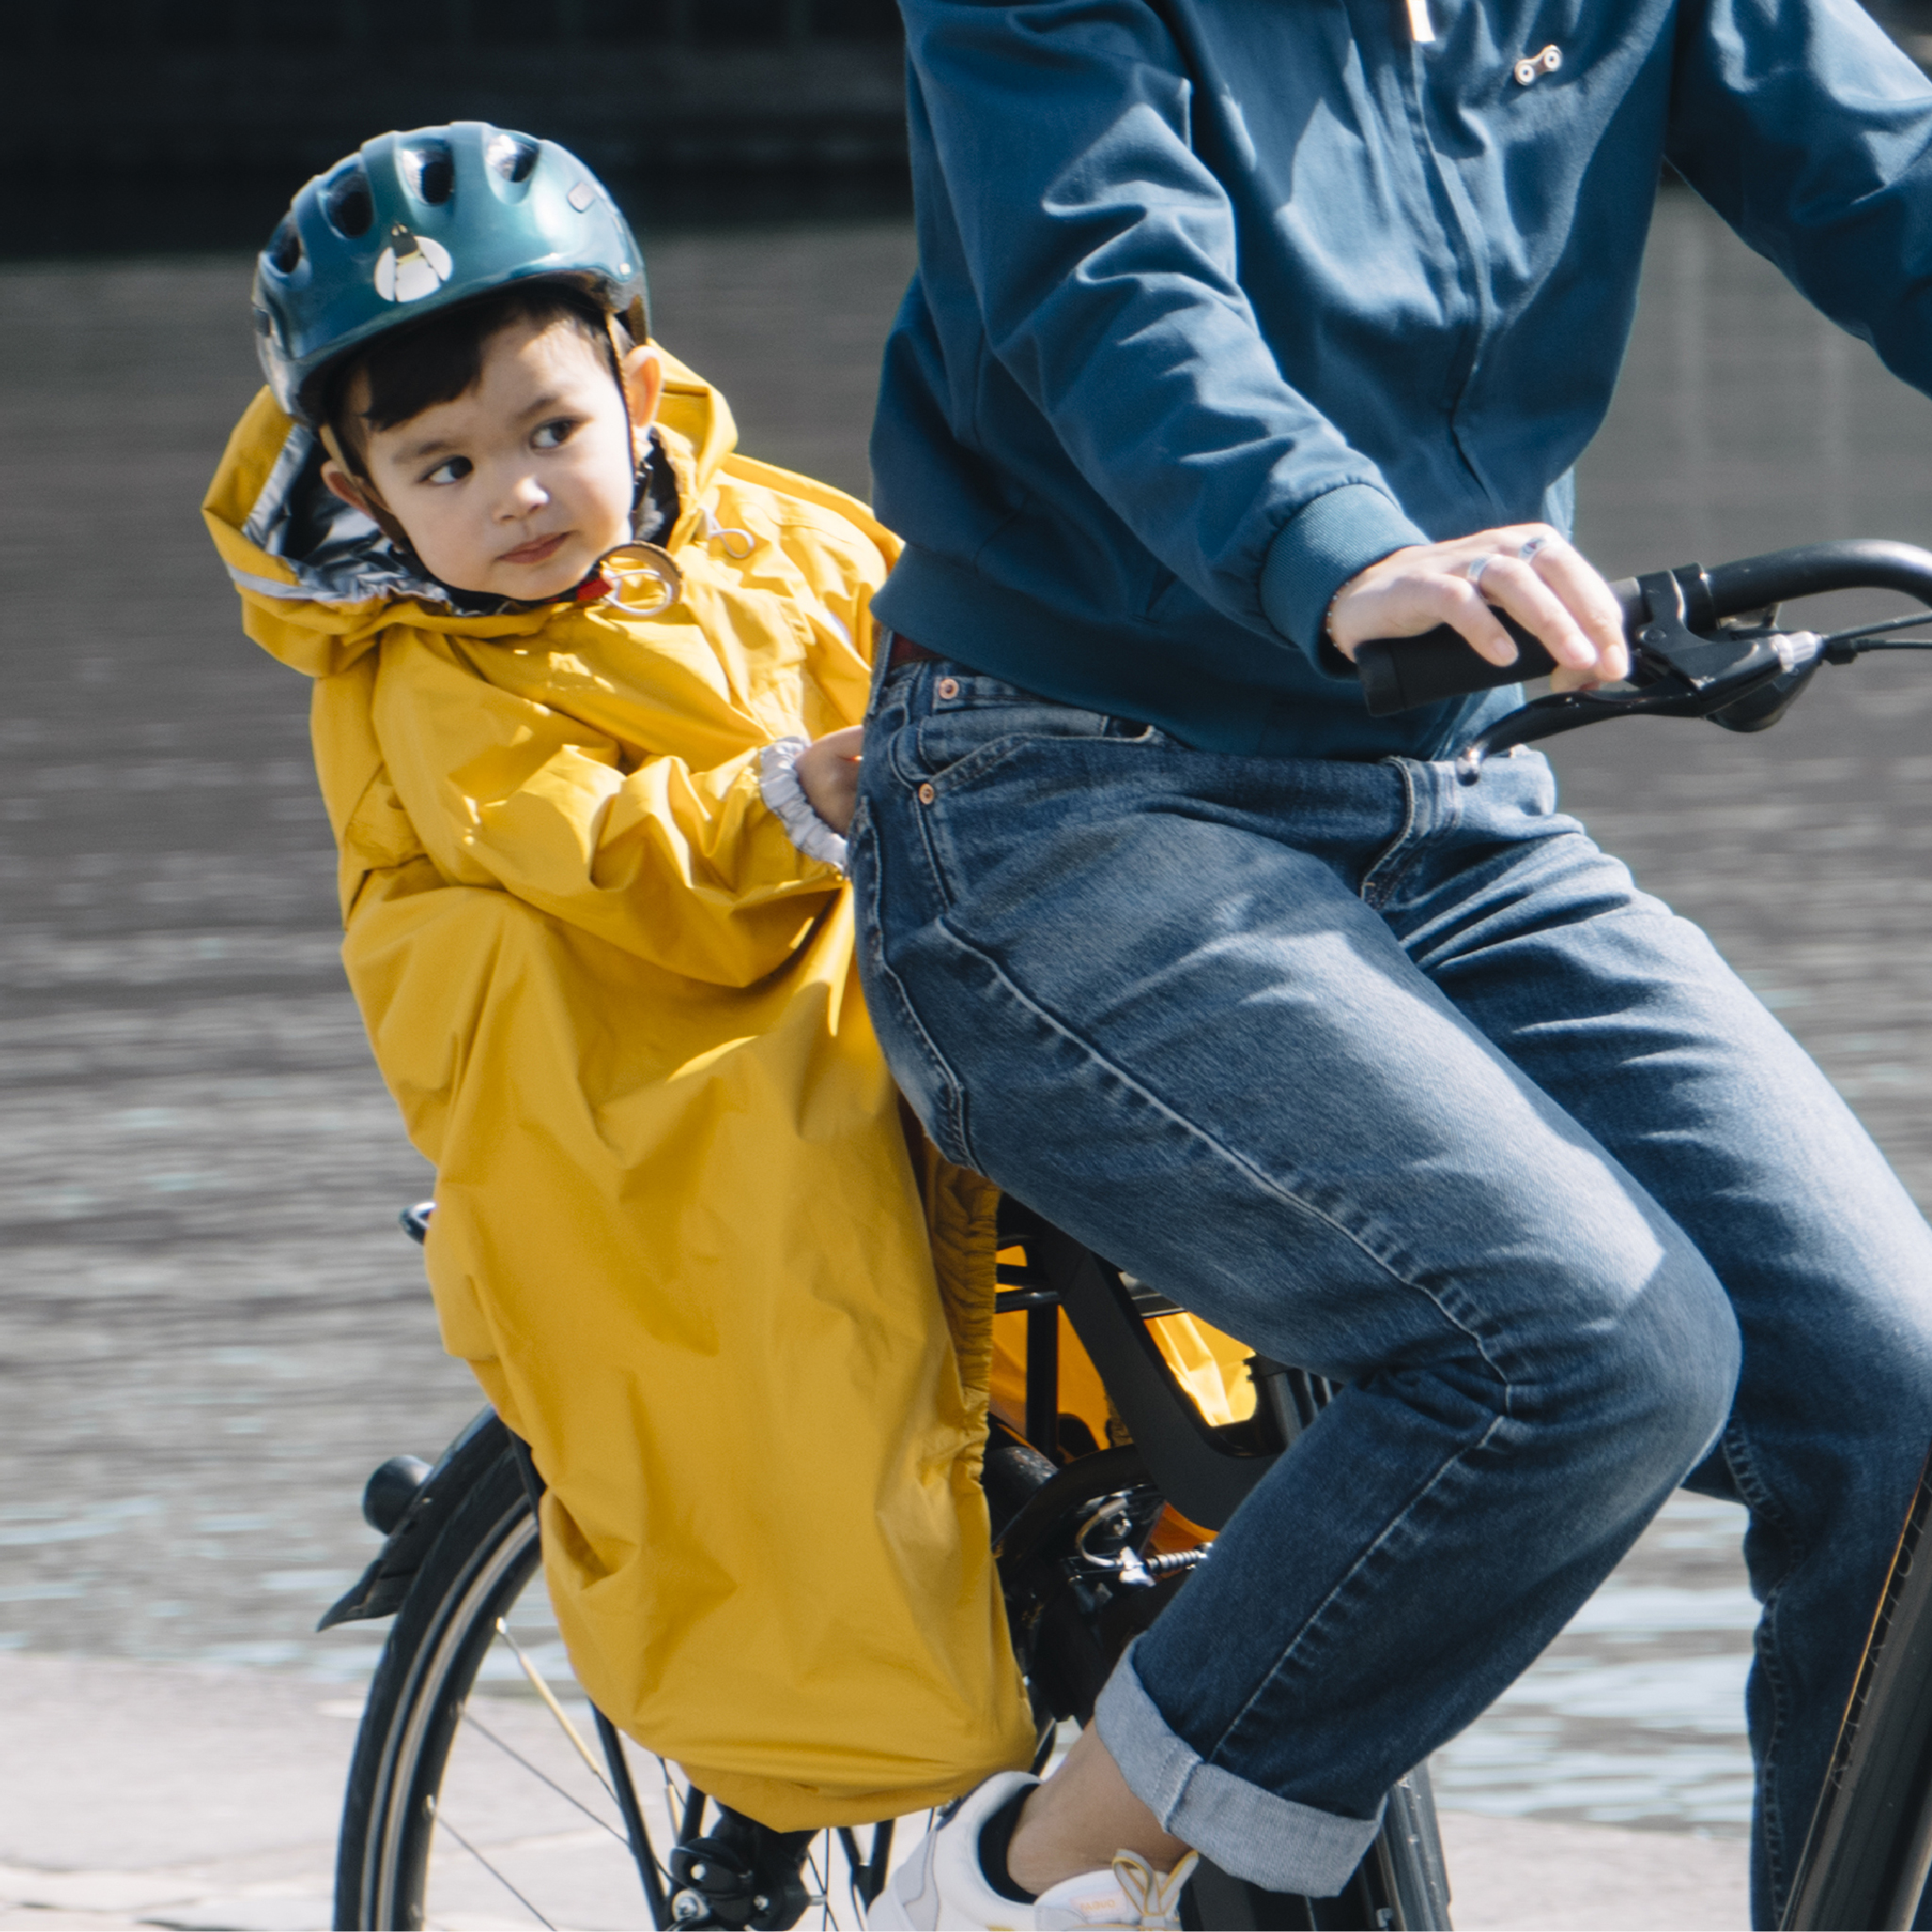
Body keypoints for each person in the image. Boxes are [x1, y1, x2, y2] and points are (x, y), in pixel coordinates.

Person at [852, 4, 1932, 1928]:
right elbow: (1106, 281)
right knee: (1592, 1343)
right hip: (1055, 791)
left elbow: (1891, 182)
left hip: (1446, 795)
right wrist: (1336, 547)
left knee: (1901, 1397)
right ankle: (1027, 1880)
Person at [201, 122, 1049, 1832]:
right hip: (674, 1067)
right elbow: (597, 856)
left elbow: (957, 651)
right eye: (440, 469)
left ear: (640, 391)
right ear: (359, 494)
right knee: (804, 1362)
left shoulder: (786, 537)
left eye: (550, 431)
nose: (512, 494)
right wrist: (788, 796)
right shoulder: (421, 684)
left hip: (906, 988)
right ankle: (944, 1783)